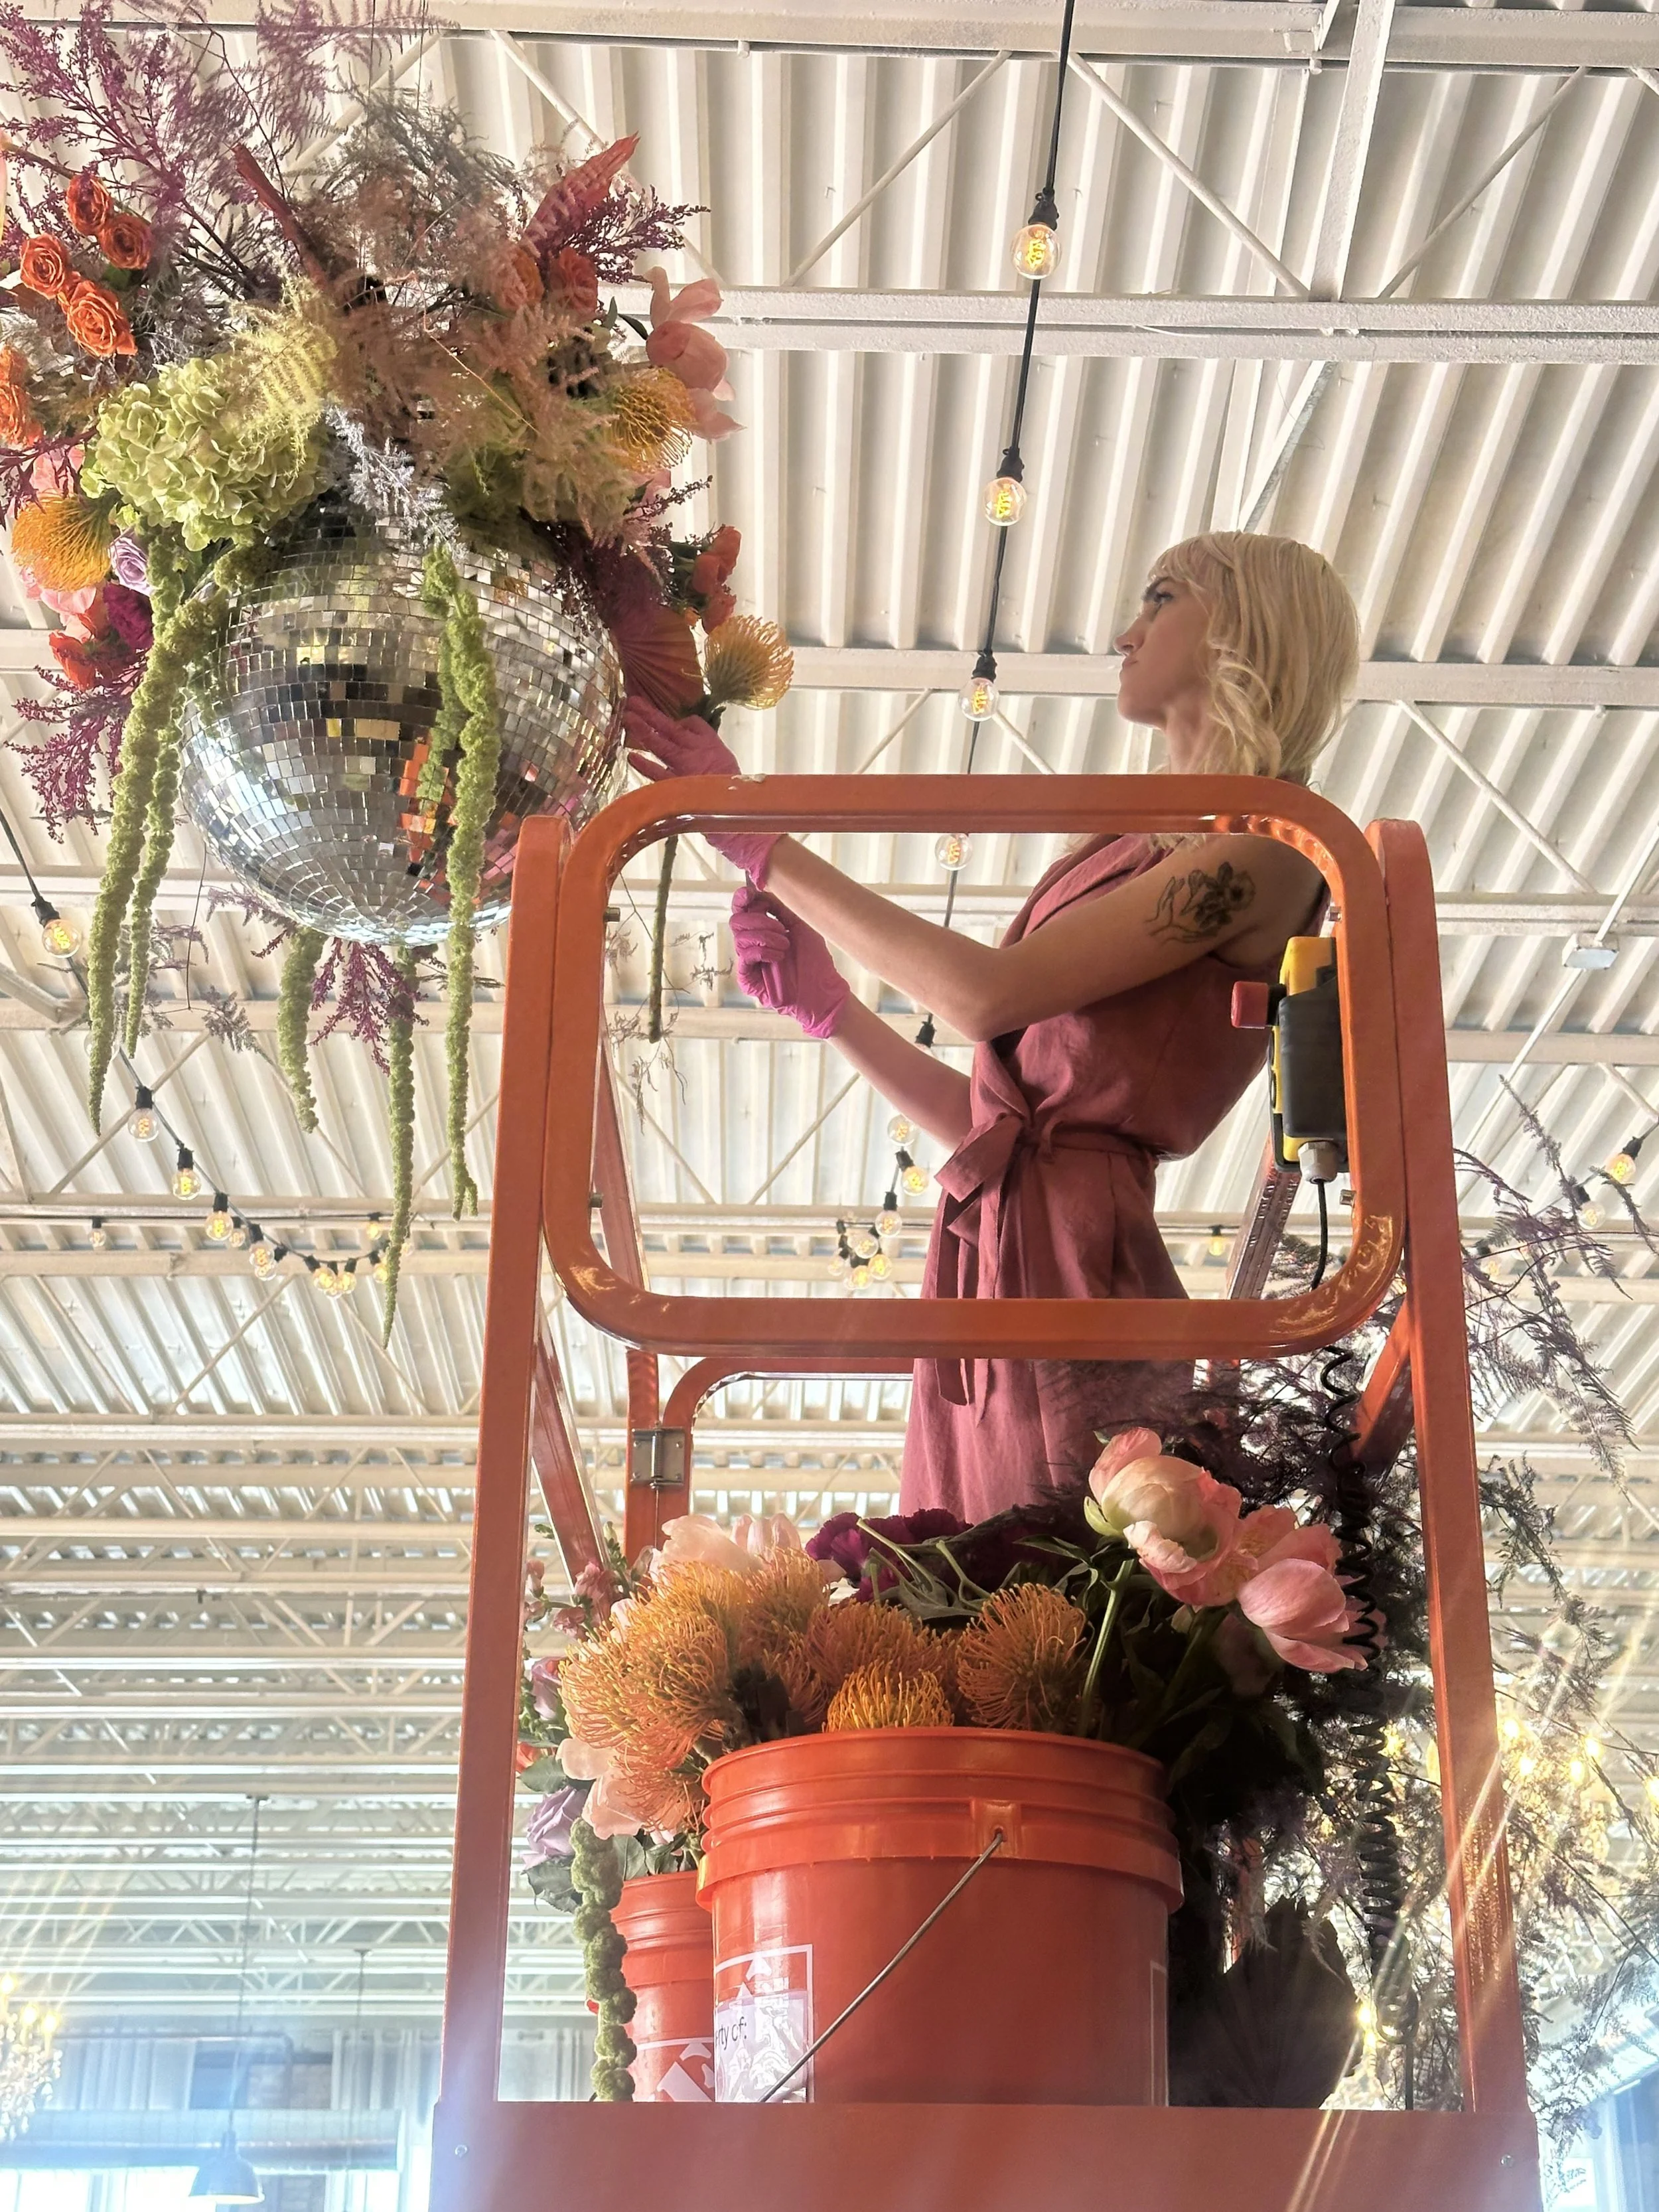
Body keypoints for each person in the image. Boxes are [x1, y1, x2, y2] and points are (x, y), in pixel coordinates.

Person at [622, 531, 1360, 1521]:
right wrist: (831, 1008)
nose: (1123, 632)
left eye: (1161, 597)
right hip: (996, 1253)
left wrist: (758, 840)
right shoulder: (1144, 840)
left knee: (1041, 1576)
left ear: (1243, 630)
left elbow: (982, 995)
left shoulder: (1269, 849)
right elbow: (1000, 1118)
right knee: (976, 1581)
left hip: (1076, 1268)